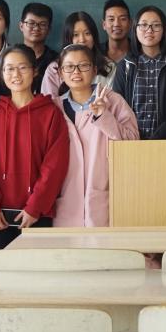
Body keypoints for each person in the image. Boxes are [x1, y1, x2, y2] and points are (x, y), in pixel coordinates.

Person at [0, 45, 69, 252]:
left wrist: (35, 207)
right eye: (9, 68)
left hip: (36, 215)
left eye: (22, 67)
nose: (15, 74)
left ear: (35, 71)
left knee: (36, 272)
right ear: (1, 73)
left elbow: (54, 166)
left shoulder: (51, 114)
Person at [53, 44, 139, 226]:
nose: (76, 72)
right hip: (65, 206)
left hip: (106, 204)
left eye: (83, 65)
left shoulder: (113, 101)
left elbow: (133, 144)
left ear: (94, 70)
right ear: (60, 72)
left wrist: (104, 116)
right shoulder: (54, 108)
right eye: (69, 67)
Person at [112, 5, 166, 140]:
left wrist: (161, 135)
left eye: (156, 25)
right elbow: (117, 106)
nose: (149, 30)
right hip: (131, 142)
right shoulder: (125, 66)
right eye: (143, 25)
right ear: (135, 29)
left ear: (164, 30)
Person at [41, 11, 115, 97]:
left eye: (87, 33)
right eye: (75, 35)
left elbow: (114, 101)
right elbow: (48, 102)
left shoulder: (108, 66)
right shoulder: (54, 69)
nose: (82, 40)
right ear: (68, 38)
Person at [19, 2, 58, 81]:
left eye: (42, 24)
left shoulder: (56, 60)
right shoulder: (10, 58)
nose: (36, 28)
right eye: (31, 23)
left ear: (49, 29)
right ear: (21, 26)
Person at [101, 0, 132, 64]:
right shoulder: (96, 54)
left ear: (130, 23)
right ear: (104, 25)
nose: (117, 24)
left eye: (122, 19)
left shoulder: (139, 52)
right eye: (111, 19)